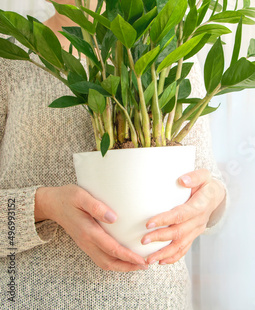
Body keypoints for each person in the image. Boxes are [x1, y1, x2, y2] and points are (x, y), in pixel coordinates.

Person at [0, 0, 228, 308]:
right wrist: (46, 205)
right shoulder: (9, 63)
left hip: (153, 299)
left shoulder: (169, 48)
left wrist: (210, 201)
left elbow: (206, 180)